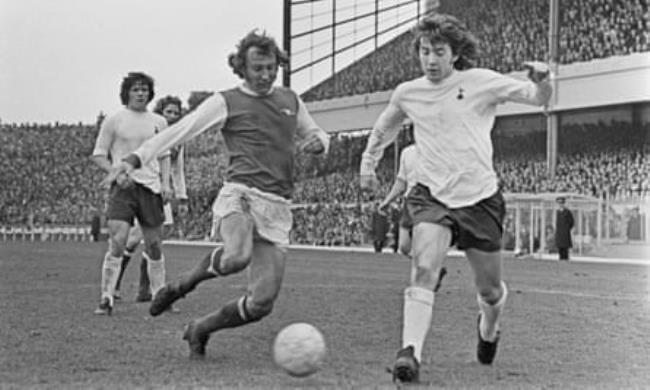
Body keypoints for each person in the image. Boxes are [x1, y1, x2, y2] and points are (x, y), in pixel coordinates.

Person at [106, 30, 329, 359]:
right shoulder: (226, 100)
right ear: (242, 68)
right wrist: (134, 158)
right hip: (240, 194)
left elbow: (316, 132)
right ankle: (182, 285)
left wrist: (320, 143)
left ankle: (200, 328)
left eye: (271, 67)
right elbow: (181, 130)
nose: (266, 74)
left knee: (261, 304)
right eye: (258, 68)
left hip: (278, 205)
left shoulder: (290, 100)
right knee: (237, 255)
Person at [359, 14, 552, 383]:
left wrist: (545, 81)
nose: (430, 60)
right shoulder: (408, 92)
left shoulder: (480, 82)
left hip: (479, 199)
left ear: (455, 53)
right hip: (432, 196)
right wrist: (368, 164)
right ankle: (410, 352)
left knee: (490, 290)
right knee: (424, 268)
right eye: (424, 51)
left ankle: (488, 329)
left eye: (439, 52)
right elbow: (384, 127)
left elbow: (535, 98)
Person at [91, 71, 173, 315]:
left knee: (154, 245)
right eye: (136, 89)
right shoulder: (115, 120)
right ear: (127, 92)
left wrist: (166, 184)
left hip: (151, 187)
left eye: (144, 90)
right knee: (118, 240)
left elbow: (165, 154)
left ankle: (160, 297)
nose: (140, 93)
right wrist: (117, 172)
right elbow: (98, 154)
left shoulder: (159, 121)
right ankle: (106, 298)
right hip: (123, 188)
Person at [114, 96, 188, 303]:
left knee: (154, 241)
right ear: (160, 114)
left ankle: (143, 290)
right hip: (143, 189)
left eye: (176, 113)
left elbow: (178, 169)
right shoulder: (149, 132)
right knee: (135, 239)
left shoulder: (178, 140)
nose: (172, 117)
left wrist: (182, 197)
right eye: (168, 112)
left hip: (161, 192)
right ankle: (117, 284)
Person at [379, 142, 447, 291]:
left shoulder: (437, 149)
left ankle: (423, 280)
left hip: (428, 203)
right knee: (404, 246)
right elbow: (401, 182)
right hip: (409, 201)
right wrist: (387, 200)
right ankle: (432, 268)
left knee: (421, 244)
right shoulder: (407, 152)